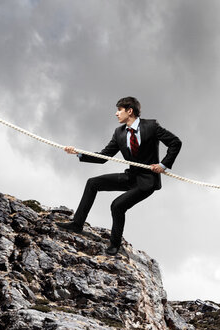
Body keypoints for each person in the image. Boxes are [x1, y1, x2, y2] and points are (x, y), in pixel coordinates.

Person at [57, 97, 182, 255]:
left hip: (147, 182)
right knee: (92, 183)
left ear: (129, 111)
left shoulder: (151, 126)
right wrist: (79, 153)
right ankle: (77, 223)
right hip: (130, 176)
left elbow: (175, 142)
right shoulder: (119, 133)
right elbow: (104, 157)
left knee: (117, 206)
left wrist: (163, 165)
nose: (116, 114)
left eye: (119, 110)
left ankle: (115, 245)